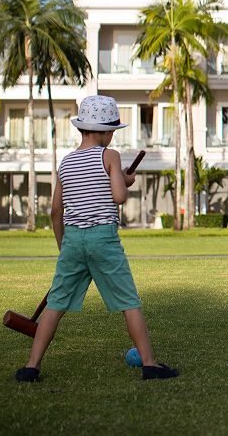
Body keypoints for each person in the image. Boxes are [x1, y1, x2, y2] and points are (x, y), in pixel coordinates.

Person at [16, 95, 178, 382]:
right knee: (129, 300)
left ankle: (31, 366)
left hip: (73, 241)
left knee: (56, 304)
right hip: (103, 238)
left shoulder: (66, 163)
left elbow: (56, 211)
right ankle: (150, 364)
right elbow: (119, 196)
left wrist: (63, 247)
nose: (114, 134)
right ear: (105, 131)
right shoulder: (110, 155)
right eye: (113, 129)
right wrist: (123, 179)